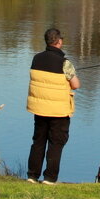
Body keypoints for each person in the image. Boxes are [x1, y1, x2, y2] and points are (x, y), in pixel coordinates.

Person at [26, 28, 81, 184]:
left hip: (40, 108)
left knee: (38, 141)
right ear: (59, 41)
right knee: (56, 143)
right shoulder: (65, 63)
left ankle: (32, 176)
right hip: (58, 111)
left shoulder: (36, 59)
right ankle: (49, 178)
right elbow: (76, 85)